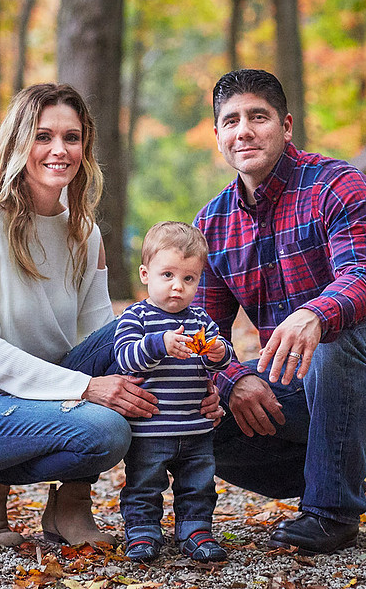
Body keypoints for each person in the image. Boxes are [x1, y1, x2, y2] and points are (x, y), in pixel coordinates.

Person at [0, 84, 221, 550]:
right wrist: (86, 389)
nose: (60, 150)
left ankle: (69, 505)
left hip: (46, 402)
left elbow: (109, 350)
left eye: (72, 138)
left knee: (118, 339)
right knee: (105, 428)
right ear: (18, 141)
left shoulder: (84, 232)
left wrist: (195, 385)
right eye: (43, 136)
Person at [193, 69, 366, 555]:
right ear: (217, 134)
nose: (244, 131)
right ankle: (322, 466)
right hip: (293, 384)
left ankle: (331, 513)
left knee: (336, 335)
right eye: (231, 120)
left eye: (258, 117)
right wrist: (233, 379)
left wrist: (317, 314)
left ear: (285, 125)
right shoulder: (211, 224)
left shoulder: (336, 185)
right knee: (190, 412)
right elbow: (201, 329)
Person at [113, 222, 235, 564]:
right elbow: (124, 358)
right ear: (145, 274)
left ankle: (195, 530)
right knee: (144, 485)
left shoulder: (200, 320)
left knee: (198, 485)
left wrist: (217, 353)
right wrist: (159, 344)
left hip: (195, 429)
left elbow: (221, 360)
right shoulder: (136, 317)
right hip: (151, 429)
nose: (177, 287)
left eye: (189, 278)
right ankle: (142, 532)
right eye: (167, 275)